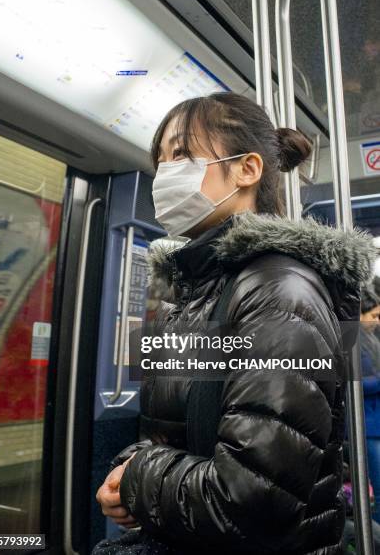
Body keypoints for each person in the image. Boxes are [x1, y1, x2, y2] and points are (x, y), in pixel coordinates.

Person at [95, 93, 376, 554]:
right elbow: (173, 432)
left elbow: (252, 497)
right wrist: (125, 474)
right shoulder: (188, 294)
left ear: (247, 169)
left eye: (182, 155)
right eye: (161, 160)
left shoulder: (281, 289)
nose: (165, 174)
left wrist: (139, 479)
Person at [360, 284, 380, 523]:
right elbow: (351, 385)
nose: (377, 321)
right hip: (367, 425)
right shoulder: (351, 342)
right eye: (374, 316)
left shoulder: (372, 340)